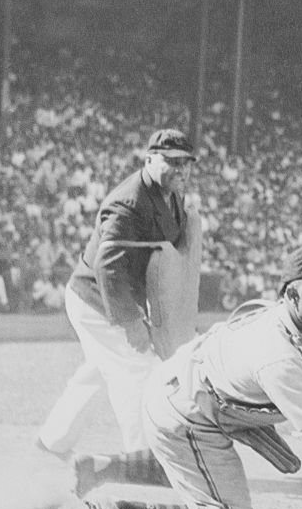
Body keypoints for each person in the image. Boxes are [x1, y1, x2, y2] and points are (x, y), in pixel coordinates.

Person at [82, 245, 302, 509]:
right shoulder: (277, 354)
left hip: (210, 400)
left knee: (213, 498)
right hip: (184, 410)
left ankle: (105, 466)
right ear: (291, 296)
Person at [36, 129, 198, 478]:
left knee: (98, 372)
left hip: (109, 295)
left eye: (186, 163)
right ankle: (143, 459)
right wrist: (131, 323)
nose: (180, 170)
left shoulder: (173, 196)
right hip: (97, 299)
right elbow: (107, 266)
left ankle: (53, 440)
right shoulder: (129, 201)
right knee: (136, 370)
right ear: (149, 159)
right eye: (171, 162)